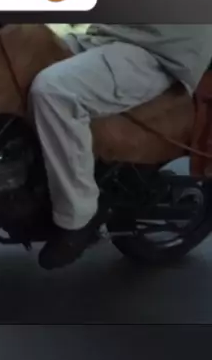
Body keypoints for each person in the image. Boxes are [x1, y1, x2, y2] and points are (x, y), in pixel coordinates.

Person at [28, 24, 212, 270]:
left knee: (53, 91)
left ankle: (78, 217)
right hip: (116, 34)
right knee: (26, 53)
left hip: (159, 48)